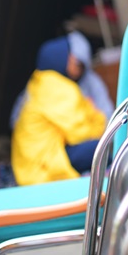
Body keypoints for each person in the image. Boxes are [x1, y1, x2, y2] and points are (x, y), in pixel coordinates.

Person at [11, 35, 107, 186]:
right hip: (43, 169)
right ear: (60, 58)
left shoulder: (38, 81)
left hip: (26, 167)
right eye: (71, 58)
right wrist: (99, 122)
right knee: (106, 148)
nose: (75, 65)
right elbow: (79, 133)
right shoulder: (58, 88)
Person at [9, 30, 114, 128]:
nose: (76, 68)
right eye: (73, 61)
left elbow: (107, 116)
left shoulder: (90, 82)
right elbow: (16, 120)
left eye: (81, 65)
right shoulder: (43, 82)